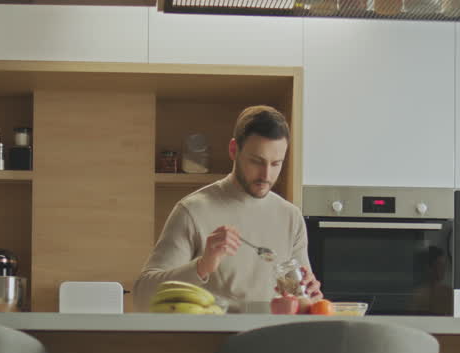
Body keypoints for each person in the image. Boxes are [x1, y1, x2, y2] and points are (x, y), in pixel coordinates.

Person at [136, 106, 323, 312]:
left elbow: (302, 300)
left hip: (273, 341)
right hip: (214, 342)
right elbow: (142, 297)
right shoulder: (193, 210)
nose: (266, 175)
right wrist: (203, 266)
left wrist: (312, 298)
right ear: (234, 150)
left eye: (276, 163)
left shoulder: (291, 217)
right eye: (256, 161)